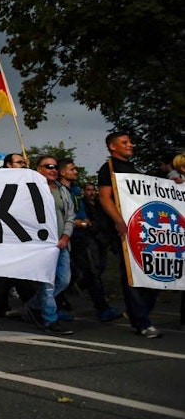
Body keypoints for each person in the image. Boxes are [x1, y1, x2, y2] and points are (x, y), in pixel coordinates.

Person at [97, 131, 161, 338]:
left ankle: (137, 311)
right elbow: (105, 198)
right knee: (133, 276)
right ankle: (142, 322)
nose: (130, 145)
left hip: (142, 230)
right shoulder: (108, 169)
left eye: (130, 142)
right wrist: (119, 221)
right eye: (125, 142)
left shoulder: (134, 169)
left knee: (154, 274)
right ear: (112, 147)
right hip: (123, 231)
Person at [57, 158, 119, 322]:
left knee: (92, 271)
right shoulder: (56, 190)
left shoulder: (76, 190)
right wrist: (72, 222)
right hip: (63, 236)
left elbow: (81, 210)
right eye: (72, 169)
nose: (76, 172)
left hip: (80, 236)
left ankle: (102, 308)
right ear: (62, 172)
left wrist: (85, 221)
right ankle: (58, 304)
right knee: (65, 273)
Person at [24, 155, 75, 335]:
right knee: (48, 284)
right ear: (38, 169)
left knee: (63, 280)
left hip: (61, 244)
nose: (53, 169)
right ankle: (50, 320)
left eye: (55, 166)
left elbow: (70, 216)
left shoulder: (63, 191)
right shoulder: (31, 190)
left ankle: (33, 305)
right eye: (48, 166)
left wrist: (66, 237)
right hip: (42, 245)